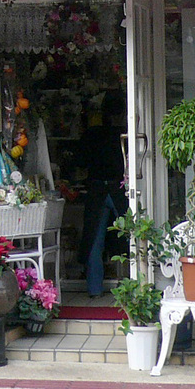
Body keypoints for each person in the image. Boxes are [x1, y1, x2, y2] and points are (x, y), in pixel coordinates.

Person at [76, 89, 128, 297]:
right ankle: (135, 285)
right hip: (120, 188)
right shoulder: (127, 134)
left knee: (94, 241)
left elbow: (80, 161)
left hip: (97, 188)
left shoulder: (92, 134)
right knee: (132, 237)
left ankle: (94, 289)